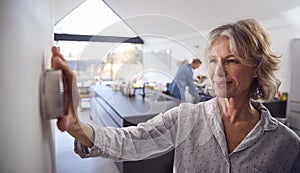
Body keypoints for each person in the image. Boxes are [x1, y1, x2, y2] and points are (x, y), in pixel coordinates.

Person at [52, 18, 300, 173]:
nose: (218, 71)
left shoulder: (286, 144)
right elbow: (129, 141)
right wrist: (75, 125)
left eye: (231, 60)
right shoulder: (186, 117)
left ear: (256, 68)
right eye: (213, 61)